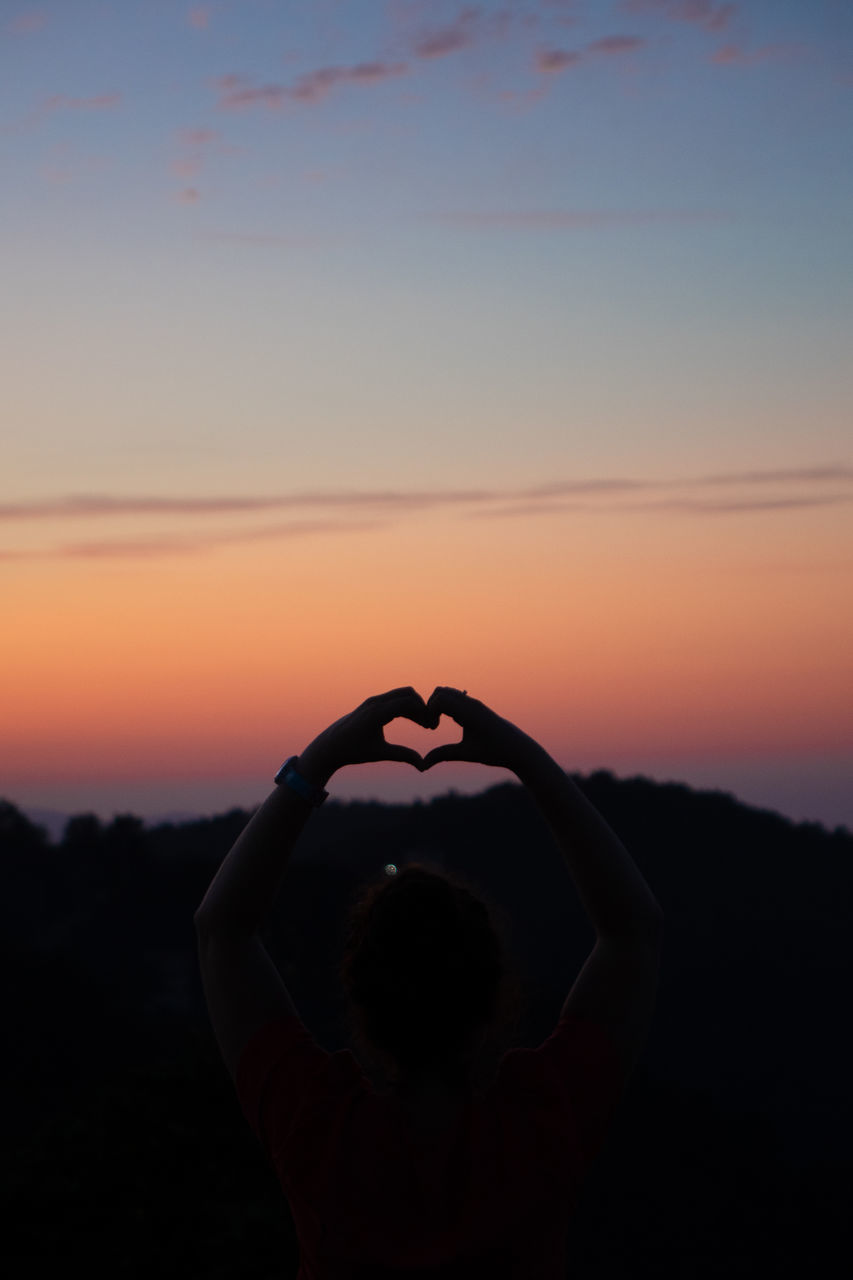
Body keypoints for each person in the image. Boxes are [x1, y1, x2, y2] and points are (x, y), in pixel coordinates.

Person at [195, 686, 663, 1278]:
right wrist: (529, 763)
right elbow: (633, 933)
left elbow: (222, 932)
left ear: (360, 996)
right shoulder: (541, 1125)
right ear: (494, 993)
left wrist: (321, 759)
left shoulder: (320, 1131)